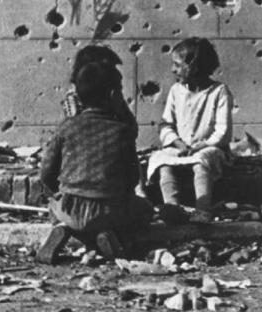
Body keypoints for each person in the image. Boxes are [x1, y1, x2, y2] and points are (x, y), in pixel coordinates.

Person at [36, 47, 152, 264]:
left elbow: (47, 172)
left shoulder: (67, 126)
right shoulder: (121, 129)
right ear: (112, 94)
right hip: (108, 208)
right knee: (144, 210)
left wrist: (56, 193)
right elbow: (132, 177)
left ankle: (63, 227)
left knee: (55, 206)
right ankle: (104, 233)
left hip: (69, 206)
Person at [146, 38, 233, 223]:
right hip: (181, 147)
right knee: (161, 161)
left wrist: (202, 145)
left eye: (178, 65)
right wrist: (178, 143)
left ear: (194, 66)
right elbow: (166, 124)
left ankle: (202, 210)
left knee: (201, 161)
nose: (173, 70)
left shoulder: (219, 91)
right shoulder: (176, 91)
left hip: (209, 148)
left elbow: (222, 131)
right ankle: (172, 208)